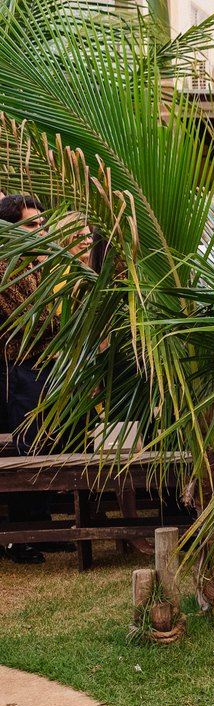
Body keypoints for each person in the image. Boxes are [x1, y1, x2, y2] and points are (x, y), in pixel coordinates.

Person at [0, 195, 58, 564]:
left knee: (47, 444)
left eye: (41, 224)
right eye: (32, 225)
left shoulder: (35, 265)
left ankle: (44, 526)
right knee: (28, 449)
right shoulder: (6, 268)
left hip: (43, 368)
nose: (42, 231)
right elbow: (35, 320)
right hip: (19, 371)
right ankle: (23, 538)